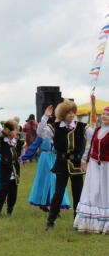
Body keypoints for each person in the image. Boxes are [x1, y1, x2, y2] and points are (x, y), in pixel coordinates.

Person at [38, 96, 95, 230]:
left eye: (73, 112)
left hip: (76, 165)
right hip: (61, 164)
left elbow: (94, 138)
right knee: (58, 194)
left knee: (78, 195)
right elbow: (41, 133)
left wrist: (84, 159)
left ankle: (78, 222)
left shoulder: (82, 127)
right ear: (63, 114)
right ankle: (50, 222)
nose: (72, 115)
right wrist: (45, 118)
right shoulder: (55, 127)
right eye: (69, 112)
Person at [74, 105, 109, 234]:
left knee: (105, 193)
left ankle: (104, 224)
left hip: (106, 168)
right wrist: (84, 160)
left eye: (108, 115)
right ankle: (88, 223)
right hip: (94, 165)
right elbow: (90, 147)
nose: (105, 116)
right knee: (92, 191)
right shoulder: (97, 130)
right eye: (104, 114)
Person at [22, 136, 71, 211]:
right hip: (45, 159)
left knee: (55, 180)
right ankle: (44, 202)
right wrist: (25, 157)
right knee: (44, 181)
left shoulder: (61, 131)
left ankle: (54, 205)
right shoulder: (44, 133)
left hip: (56, 158)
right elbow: (35, 145)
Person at [0, 120, 24, 216]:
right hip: (4, 168)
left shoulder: (19, 143)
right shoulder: (1, 142)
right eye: (14, 130)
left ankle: (10, 210)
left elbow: (21, 155)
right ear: (8, 131)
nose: (17, 132)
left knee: (13, 191)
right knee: (3, 188)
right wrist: (0, 131)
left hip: (15, 170)